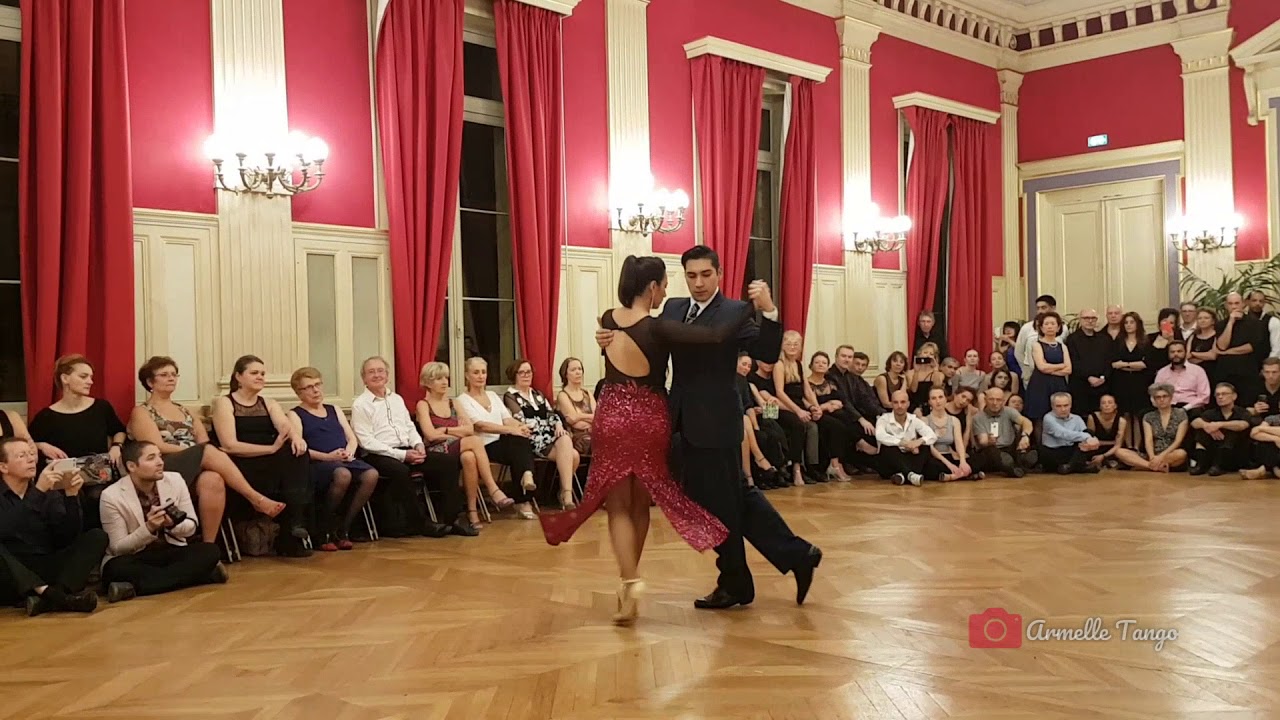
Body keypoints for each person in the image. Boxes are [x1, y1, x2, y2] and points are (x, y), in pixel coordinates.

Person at [594, 247, 821, 612]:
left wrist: (770, 311)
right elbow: (646, 342)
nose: (698, 283)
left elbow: (765, 351)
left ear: (719, 273)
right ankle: (792, 556)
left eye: (705, 275)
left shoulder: (733, 311)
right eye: (691, 275)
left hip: (717, 420)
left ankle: (742, 578)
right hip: (677, 419)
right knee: (725, 499)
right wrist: (608, 339)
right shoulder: (671, 308)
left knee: (724, 501)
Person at [541, 255, 748, 624]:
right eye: (665, 285)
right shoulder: (660, 327)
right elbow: (712, 336)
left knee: (618, 506)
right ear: (652, 287)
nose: (666, 292)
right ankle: (629, 581)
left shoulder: (607, 318)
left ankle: (629, 581)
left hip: (613, 414)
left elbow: (612, 341)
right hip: (651, 415)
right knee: (639, 505)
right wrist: (749, 307)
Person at [129, 356, 285, 543]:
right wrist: (192, 451)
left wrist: (197, 451)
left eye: (174, 374)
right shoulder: (142, 411)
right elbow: (156, 446)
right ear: (149, 381)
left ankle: (208, 547)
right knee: (207, 451)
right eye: (164, 375)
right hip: (163, 464)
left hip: (195, 464)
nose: (171, 378)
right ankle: (255, 498)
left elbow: (203, 440)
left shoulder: (186, 411)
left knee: (213, 479)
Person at [350, 356, 469, 538]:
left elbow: (409, 427)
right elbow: (367, 442)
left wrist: (419, 444)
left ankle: (453, 519)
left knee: (447, 462)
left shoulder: (397, 399)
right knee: (400, 470)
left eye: (380, 371)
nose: (377, 375)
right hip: (379, 454)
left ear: (387, 375)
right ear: (363, 378)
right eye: (371, 372)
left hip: (408, 448)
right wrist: (402, 455)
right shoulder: (360, 405)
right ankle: (421, 523)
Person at [210, 355, 314, 557]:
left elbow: (284, 426)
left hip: (269, 460)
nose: (260, 377)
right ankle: (293, 524)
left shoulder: (268, 402)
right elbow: (229, 445)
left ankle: (294, 525)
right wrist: (270, 449)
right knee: (287, 464)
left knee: (299, 453)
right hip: (240, 462)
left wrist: (296, 438)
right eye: (254, 373)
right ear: (238, 377)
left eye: (263, 374)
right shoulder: (225, 402)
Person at [98, 441, 226, 601]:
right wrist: (149, 528)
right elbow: (118, 548)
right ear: (132, 466)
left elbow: (191, 526)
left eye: (159, 456)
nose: (160, 462)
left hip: (171, 549)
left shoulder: (175, 480)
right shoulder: (111, 496)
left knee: (210, 551)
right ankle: (201, 577)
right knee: (114, 569)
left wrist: (172, 524)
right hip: (137, 556)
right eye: (151, 458)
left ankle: (133, 588)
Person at [0, 436, 106, 615]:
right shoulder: (41, 489)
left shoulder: (48, 490)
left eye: (31, 454)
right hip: (11, 571)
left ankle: (52, 598)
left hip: (45, 562)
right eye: (21, 456)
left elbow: (65, 537)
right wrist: (38, 493)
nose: (31, 459)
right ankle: (57, 597)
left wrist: (71, 497)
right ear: (3, 466)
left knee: (97, 536)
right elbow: (7, 530)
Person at [290, 368, 380, 550]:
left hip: (343, 459)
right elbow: (301, 448)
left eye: (317, 385)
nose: (315, 390)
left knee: (371, 474)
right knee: (343, 474)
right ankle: (325, 529)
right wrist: (328, 457)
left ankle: (344, 528)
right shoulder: (295, 414)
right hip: (318, 463)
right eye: (309, 387)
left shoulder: (334, 409)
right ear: (299, 392)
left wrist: (349, 452)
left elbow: (351, 438)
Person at [1114, 384, 1189, 473]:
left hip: (1170, 453)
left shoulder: (1180, 414)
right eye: (1158, 397)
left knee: (1181, 454)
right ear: (1154, 400)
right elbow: (1148, 440)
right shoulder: (1148, 416)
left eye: (1165, 396)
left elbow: (1178, 441)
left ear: (1171, 398)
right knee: (1119, 452)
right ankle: (1152, 466)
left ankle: (1145, 465)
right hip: (1151, 454)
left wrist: (1161, 457)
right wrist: (1152, 457)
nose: (1162, 400)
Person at [1189, 383, 1256, 476]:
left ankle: (1220, 466)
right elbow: (1194, 422)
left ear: (1234, 396)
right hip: (1214, 449)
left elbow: (1242, 425)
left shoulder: (1243, 412)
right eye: (1217, 394)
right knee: (1202, 431)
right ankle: (1201, 464)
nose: (1220, 397)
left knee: (1232, 431)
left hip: (1235, 453)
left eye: (1224, 394)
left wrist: (1219, 425)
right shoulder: (1211, 413)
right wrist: (1207, 426)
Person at [873, 389, 937, 486]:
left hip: (909, 458)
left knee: (925, 447)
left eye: (903, 402)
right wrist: (903, 443)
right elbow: (880, 436)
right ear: (891, 404)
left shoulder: (913, 419)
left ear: (908, 404)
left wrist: (918, 442)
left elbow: (932, 435)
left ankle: (903, 476)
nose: (899, 406)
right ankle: (910, 475)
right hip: (891, 462)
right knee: (887, 448)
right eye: (896, 402)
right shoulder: (883, 419)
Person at [972, 388, 1036, 477]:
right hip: (991, 449)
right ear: (985, 400)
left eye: (998, 400)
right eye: (991, 399)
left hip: (1010, 447)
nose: (995, 403)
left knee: (1023, 449)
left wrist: (1025, 436)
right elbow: (982, 441)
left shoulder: (1009, 411)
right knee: (992, 452)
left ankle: (1019, 464)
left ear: (1003, 401)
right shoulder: (978, 417)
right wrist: (989, 441)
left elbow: (1026, 422)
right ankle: (1016, 468)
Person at [1024, 312, 1071, 423]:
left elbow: (1069, 369)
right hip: (1040, 384)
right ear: (1041, 327)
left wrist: (1050, 368)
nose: (1050, 326)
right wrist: (1061, 365)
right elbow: (1041, 367)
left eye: (1053, 324)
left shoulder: (1062, 346)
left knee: (1060, 416)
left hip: (1058, 384)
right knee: (1040, 418)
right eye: (1046, 324)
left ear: (1058, 327)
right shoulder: (1037, 344)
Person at [1038, 393, 1102, 474]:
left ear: (1070, 405)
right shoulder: (1048, 418)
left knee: (1089, 433)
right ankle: (1079, 467)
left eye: (1066, 405)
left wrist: (1091, 439)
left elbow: (1085, 436)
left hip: (1071, 451)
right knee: (1086, 437)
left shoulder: (1077, 418)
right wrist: (1088, 438)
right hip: (1053, 451)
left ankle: (1070, 466)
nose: (1063, 409)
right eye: (1059, 406)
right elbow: (1063, 433)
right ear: (1052, 406)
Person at [922, 387, 976, 481]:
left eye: (940, 397)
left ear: (946, 399)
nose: (938, 401)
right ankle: (960, 475)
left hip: (950, 455)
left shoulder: (954, 420)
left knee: (975, 461)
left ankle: (952, 476)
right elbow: (930, 447)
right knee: (930, 466)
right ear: (929, 402)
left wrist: (962, 461)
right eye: (933, 398)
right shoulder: (925, 420)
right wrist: (949, 465)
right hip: (935, 457)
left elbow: (959, 443)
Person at [1153, 340, 1210, 414]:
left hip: (1190, 407)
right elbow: (1154, 393)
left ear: (1186, 353)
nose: (1175, 354)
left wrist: (1185, 408)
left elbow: (1204, 396)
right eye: (1172, 352)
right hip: (1168, 406)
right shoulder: (1162, 372)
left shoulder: (1198, 370)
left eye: (1179, 351)